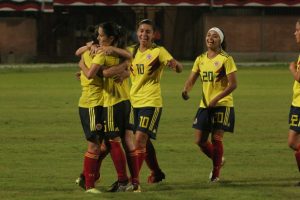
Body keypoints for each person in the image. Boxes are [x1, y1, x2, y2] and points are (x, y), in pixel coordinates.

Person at [79, 21, 138, 192]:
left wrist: (82, 64)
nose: (99, 38)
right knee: (122, 140)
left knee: (110, 142)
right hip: (126, 100)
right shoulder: (126, 52)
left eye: (101, 35)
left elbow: (103, 73)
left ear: (110, 38)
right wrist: (125, 69)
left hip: (111, 102)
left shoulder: (106, 53)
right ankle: (134, 182)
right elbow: (130, 62)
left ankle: (121, 180)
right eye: (97, 36)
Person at [126, 19, 183, 192]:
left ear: (154, 34)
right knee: (144, 141)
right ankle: (157, 173)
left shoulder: (159, 51)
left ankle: (133, 181)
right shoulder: (130, 51)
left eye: (148, 32)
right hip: (133, 102)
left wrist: (175, 66)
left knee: (139, 140)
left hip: (151, 102)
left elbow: (178, 67)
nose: (144, 34)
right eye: (142, 31)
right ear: (137, 32)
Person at [182, 27, 237, 182]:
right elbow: (192, 79)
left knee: (217, 138)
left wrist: (216, 99)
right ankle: (219, 160)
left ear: (221, 40)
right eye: (208, 35)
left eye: (214, 36)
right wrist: (186, 89)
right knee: (199, 141)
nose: (210, 38)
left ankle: (215, 173)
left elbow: (233, 85)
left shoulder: (226, 59)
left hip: (222, 104)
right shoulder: (200, 59)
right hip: (205, 105)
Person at [288, 18, 300, 186]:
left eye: (298, 30)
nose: (295, 33)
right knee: (292, 143)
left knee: (293, 142)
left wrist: (292, 68)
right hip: (296, 104)